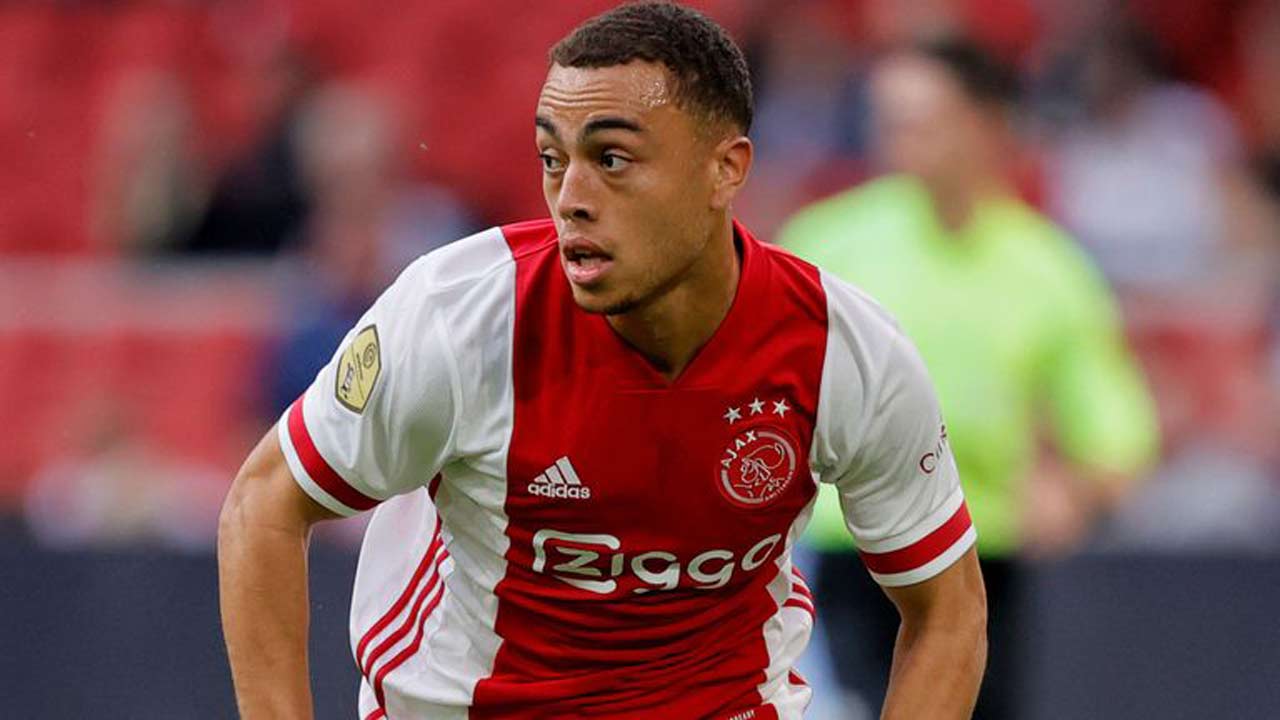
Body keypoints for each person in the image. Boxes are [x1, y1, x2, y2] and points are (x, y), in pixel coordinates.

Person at [218, 5, 986, 718]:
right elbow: (265, 502)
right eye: (553, 159)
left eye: (612, 158)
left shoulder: (842, 349)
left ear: (726, 168)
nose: (571, 197)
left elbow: (949, 611)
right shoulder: (461, 316)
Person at [778, 37, 1160, 719]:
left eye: (921, 119)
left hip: (982, 558)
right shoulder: (827, 244)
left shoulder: (1046, 267)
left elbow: (1114, 423)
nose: (897, 137)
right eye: (888, 118)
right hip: (845, 551)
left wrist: (1076, 490)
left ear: (987, 126)